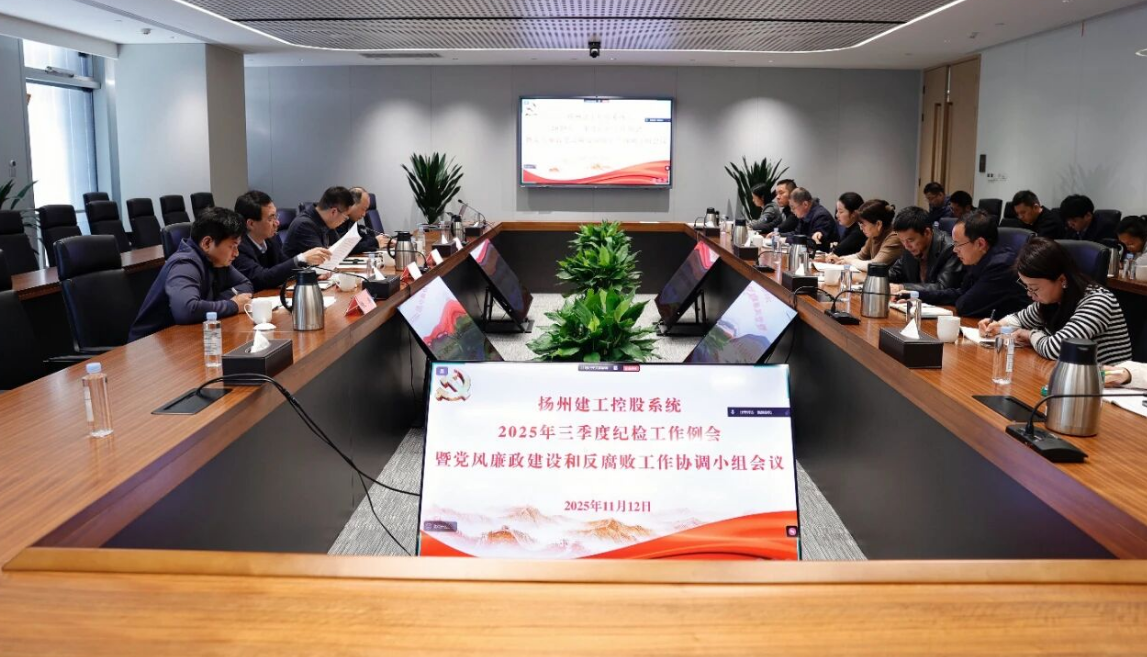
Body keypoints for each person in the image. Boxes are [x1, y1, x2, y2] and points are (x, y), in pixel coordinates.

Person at [979, 237, 1132, 364]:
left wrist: (1031, 335)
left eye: (1034, 288)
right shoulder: (1054, 299)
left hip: (1106, 385)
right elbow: (1019, 318)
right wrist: (998, 326)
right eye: (1027, 287)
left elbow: (1057, 349)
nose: (1030, 294)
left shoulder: (1098, 301)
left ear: (1062, 280)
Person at [129, 207, 253, 341]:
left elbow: (246, 285)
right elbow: (186, 310)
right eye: (232, 246)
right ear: (207, 243)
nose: (236, 253)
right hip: (149, 345)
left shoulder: (216, 260)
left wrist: (210, 303)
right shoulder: (184, 264)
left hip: (184, 337)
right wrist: (232, 305)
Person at [917, 210, 1029, 318]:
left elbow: (965, 306)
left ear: (980, 244)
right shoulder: (978, 259)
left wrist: (960, 298)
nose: (955, 250)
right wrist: (919, 295)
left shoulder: (1001, 266)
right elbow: (962, 293)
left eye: (958, 244)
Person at [233, 190, 330, 291]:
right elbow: (262, 278)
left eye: (276, 216)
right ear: (251, 224)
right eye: (270, 219)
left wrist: (314, 273)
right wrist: (302, 258)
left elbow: (285, 266)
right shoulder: (237, 247)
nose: (277, 223)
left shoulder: (272, 238)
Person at [888, 205, 964, 295]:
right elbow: (895, 272)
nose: (906, 246)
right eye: (902, 241)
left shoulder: (950, 249)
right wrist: (877, 278)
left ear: (927, 232)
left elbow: (943, 288)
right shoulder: (909, 246)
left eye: (910, 240)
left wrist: (902, 287)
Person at [283, 186, 357, 259]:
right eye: (345, 217)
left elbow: (340, 250)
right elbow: (323, 259)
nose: (344, 221)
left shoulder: (328, 223)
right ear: (333, 212)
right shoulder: (304, 225)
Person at [828, 199, 902, 270]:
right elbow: (860, 256)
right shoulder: (874, 234)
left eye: (864, 224)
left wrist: (850, 262)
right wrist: (840, 259)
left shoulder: (894, 237)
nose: (861, 228)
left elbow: (875, 265)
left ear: (878, 224)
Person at [784, 187, 835, 253]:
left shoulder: (821, 217)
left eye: (793, 207)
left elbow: (813, 242)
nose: (791, 211)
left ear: (805, 204)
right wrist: (779, 235)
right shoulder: (804, 215)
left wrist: (786, 239)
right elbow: (797, 234)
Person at [343, 186, 388, 252]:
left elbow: (362, 237)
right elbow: (347, 247)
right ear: (351, 204)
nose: (364, 214)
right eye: (363, 209)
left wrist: (384, 241)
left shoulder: (351, 221)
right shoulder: (338, 221)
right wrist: (375, 242)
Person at [830, 192, 865, 257]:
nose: (837, 215)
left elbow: (837, 251)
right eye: (837, 211)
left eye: (841, 212)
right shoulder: (849, 227)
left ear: (854, 213)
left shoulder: (859, 231)